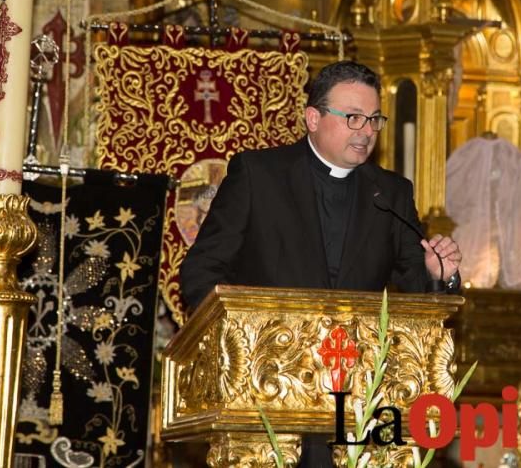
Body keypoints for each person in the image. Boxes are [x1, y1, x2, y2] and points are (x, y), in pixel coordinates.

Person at [180, 60, 463, 309]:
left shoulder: (391, 193)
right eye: (354, 118)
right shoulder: (259, 176)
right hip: (269, 358)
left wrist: (439, 274)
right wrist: (240, 336)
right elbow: (202, 271)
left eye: (374, 119)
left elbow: (418, 283)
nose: (367, 131)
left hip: (355, 361)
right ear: (313, 118)